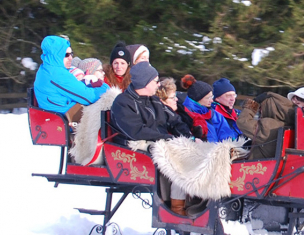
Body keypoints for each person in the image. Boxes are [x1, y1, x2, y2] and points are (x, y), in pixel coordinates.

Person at [109, 64, 192, 214]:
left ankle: (193, 203)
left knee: (192, 152)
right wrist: (168, 139)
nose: (158, 84)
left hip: (158, 142)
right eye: (155, 80)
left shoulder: (153, 100)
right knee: (179, 159)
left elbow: (174, 121)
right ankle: (176, 209)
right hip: (135, 147)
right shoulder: (122, 103)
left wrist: (188, 137)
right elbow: (136, 132)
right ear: (144, 82)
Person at [33, 35, 109, 123]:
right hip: (66, 120)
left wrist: (86, 84)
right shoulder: (57, 74)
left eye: (71, 54)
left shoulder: (45, 69)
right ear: (56, 55)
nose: (71, 58)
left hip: (57, 117)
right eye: (66, 55)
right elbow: (89, 97)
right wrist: (104, 87)